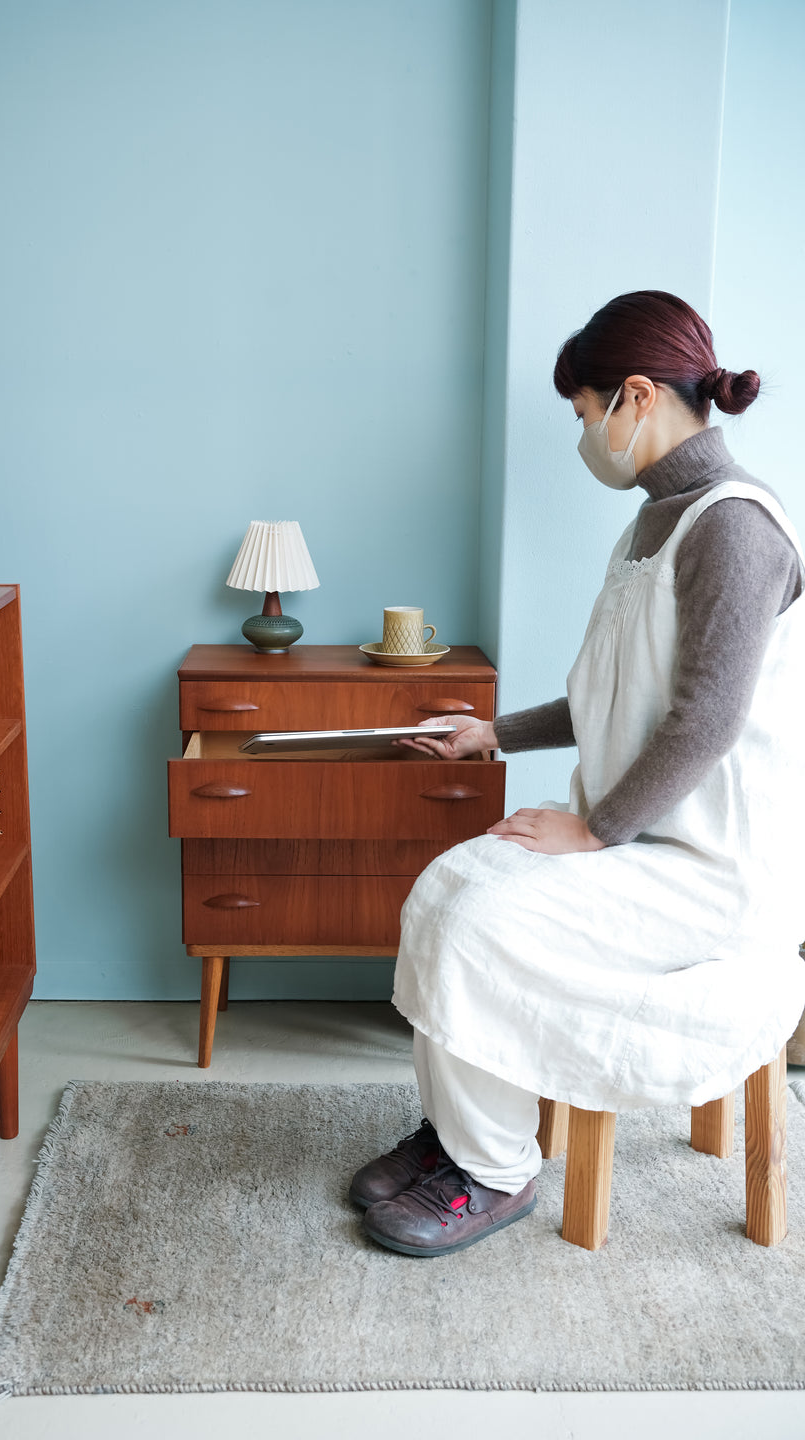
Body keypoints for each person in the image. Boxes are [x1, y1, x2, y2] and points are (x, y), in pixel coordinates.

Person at [349, 290, 805, 1258]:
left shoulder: (735, 529)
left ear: (637, 394)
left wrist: (593, 832)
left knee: (479, 922)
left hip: (707, 870)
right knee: (445, 889)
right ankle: (459, 1134)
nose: (585, 433)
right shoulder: (656, 521)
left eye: (584, 411)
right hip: (640, 837)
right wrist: (492, 734)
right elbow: (616, 702)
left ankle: (493, 1175)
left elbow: (705, 724)